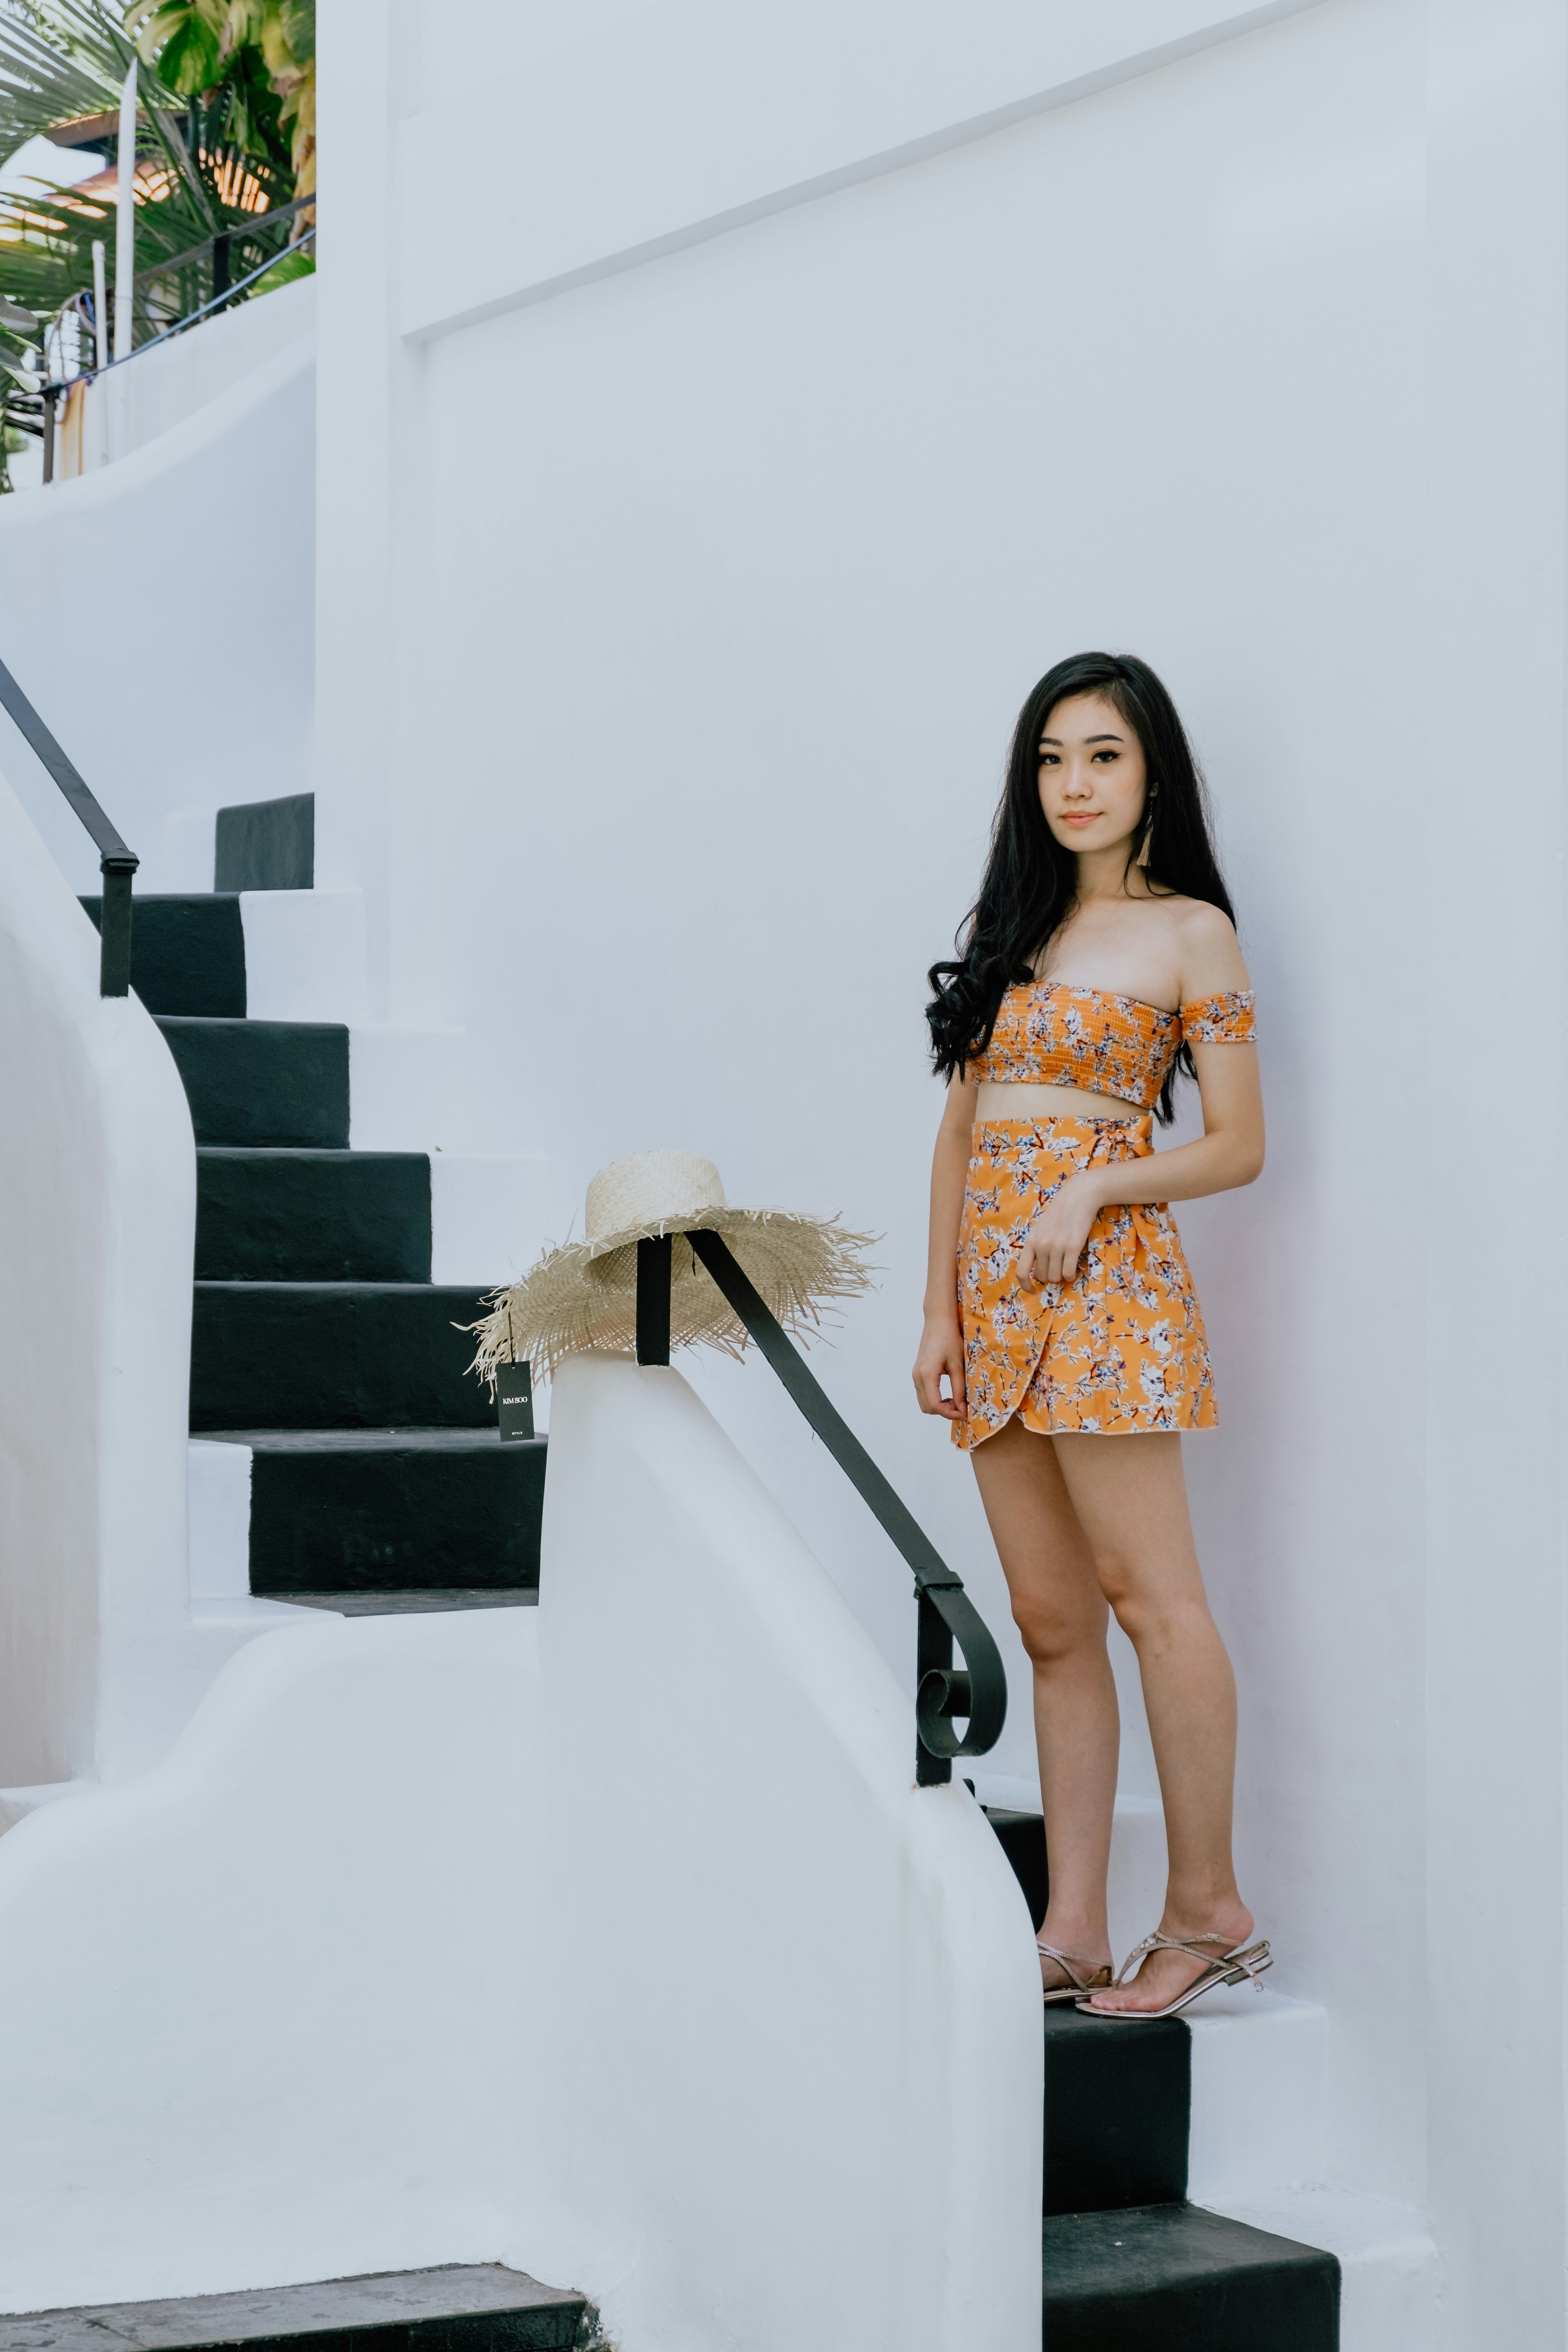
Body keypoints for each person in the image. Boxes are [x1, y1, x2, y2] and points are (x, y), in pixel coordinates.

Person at [913, 652, 1268, 2019]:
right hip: (994, 1298)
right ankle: (1072, 1928)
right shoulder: (1011, 926)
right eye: (1053, 758)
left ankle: (1207, 1908)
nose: (1075, 783)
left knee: (1151, 1599)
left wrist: (1097, 1184)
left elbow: (1237, 1145)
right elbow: (959, 1135)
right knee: (1052, 1621)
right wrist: (941, 1309)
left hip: (1109, 1287)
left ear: (1152, 773)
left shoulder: (1192, 934)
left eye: (1104, 756)